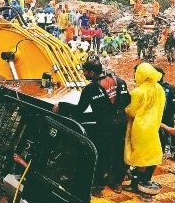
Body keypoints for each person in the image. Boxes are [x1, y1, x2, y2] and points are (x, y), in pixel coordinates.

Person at [56, 58, 132, 194]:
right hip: (121, 124)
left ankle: (97, 186)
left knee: (102, 154)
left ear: (91, 73)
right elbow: (127, 100)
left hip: (104, 126)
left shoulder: (90, 89)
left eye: (84, 72)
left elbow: (80, 109)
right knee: (118, 152)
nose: (83, 74)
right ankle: (116, 183)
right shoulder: (120, 81)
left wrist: (61, 105)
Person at [125, 63, 165, 195]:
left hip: (140, 127)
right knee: (149, 153)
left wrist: (125, 110)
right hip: (153, 126)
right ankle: (145, 181)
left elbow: (132, 112)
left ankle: (134, 185)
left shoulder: (137, 92)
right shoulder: (159, 88)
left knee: (139, 156)